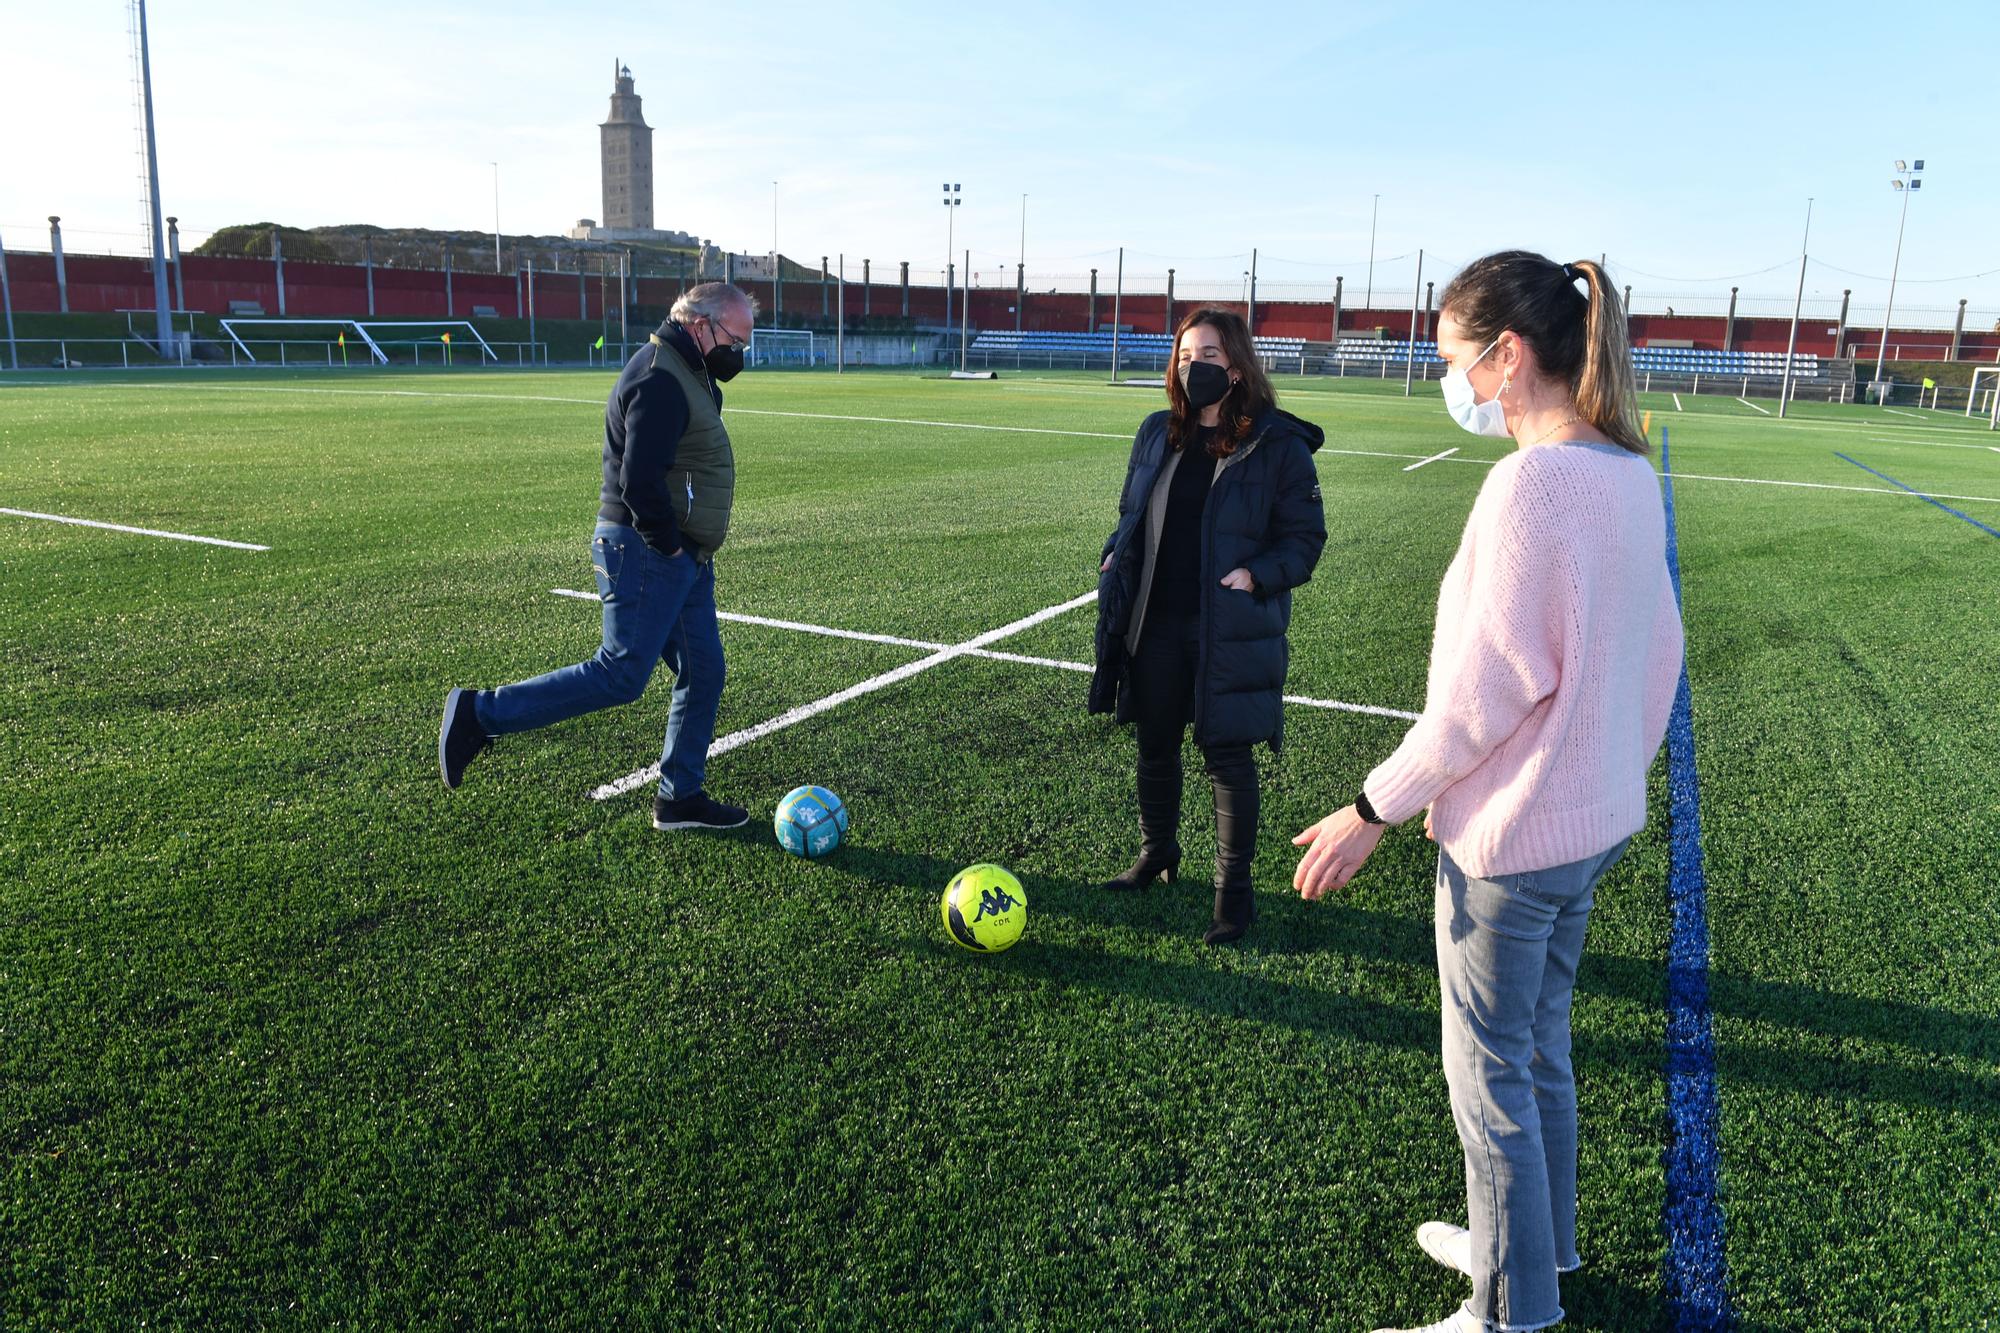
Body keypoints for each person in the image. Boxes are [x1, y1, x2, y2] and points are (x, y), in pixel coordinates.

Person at [1290, 252, 1685, 1333]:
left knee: (1490, 1080)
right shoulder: (1622, 468)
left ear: (1506, 356)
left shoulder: (1534, 482)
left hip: (1510, 845)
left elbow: (1476, 699)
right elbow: (1660, 654)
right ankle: (1536, 1251)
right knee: (1536, 1045)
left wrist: (1371, 808)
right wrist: (1607, 776)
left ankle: (1509, 1309)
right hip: (1584, 826)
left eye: (1451, 359)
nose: (1449, 380)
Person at [439, 282, 757, 832]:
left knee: (704, 673)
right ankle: (478, 713)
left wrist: (689, 550)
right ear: (702, 325)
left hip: (683, 556)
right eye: (735, 339)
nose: (740, 354)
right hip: (648, 550)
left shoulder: (691, 370)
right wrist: (671, 545)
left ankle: (680, 797)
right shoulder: (659, 376)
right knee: (620, 674)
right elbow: (639, 481)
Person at [1089, 308, 1327, 945]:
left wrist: (1257, 575)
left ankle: (1233, 897)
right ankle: (1158, 853)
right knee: (1155, 743)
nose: (1196, 367)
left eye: (1211, 356)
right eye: (1186, 355)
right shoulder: (1154, 432)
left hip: (1227, 629)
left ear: (1239, 366)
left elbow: (1305, 540)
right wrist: (1118, 549)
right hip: (1154, 621)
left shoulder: (1276, 445)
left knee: (1226, 757)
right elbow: (1131, 511)